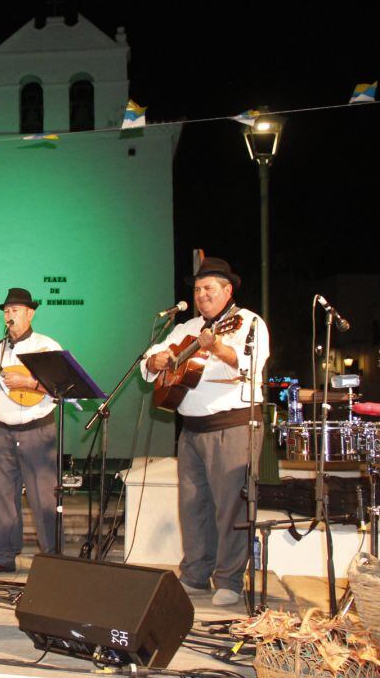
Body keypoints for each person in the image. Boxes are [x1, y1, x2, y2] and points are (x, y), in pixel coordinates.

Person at [142, 257, 268, 607]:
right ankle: (195, 574)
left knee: (230, 506)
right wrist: (157, 361)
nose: (201, 295)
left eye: (208, 289)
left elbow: (250, 364)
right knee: (193, 505)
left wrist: (216, 347)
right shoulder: (186, 328)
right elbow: (150, 362)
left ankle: (229, 579)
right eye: (197, 290)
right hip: (192, 429)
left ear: (227, 291)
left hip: (233, 425)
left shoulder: (247, 323)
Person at [0, 288, 61, 574]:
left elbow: (62, 388)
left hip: (38, 431)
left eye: (16, 310)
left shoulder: (46, 346)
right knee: (4, 496)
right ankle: (5, 556)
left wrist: (30, 383)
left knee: (43, 497)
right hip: (3, 432)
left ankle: (51, 558)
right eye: (6, 311)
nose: (9, 315)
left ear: (30, 313)